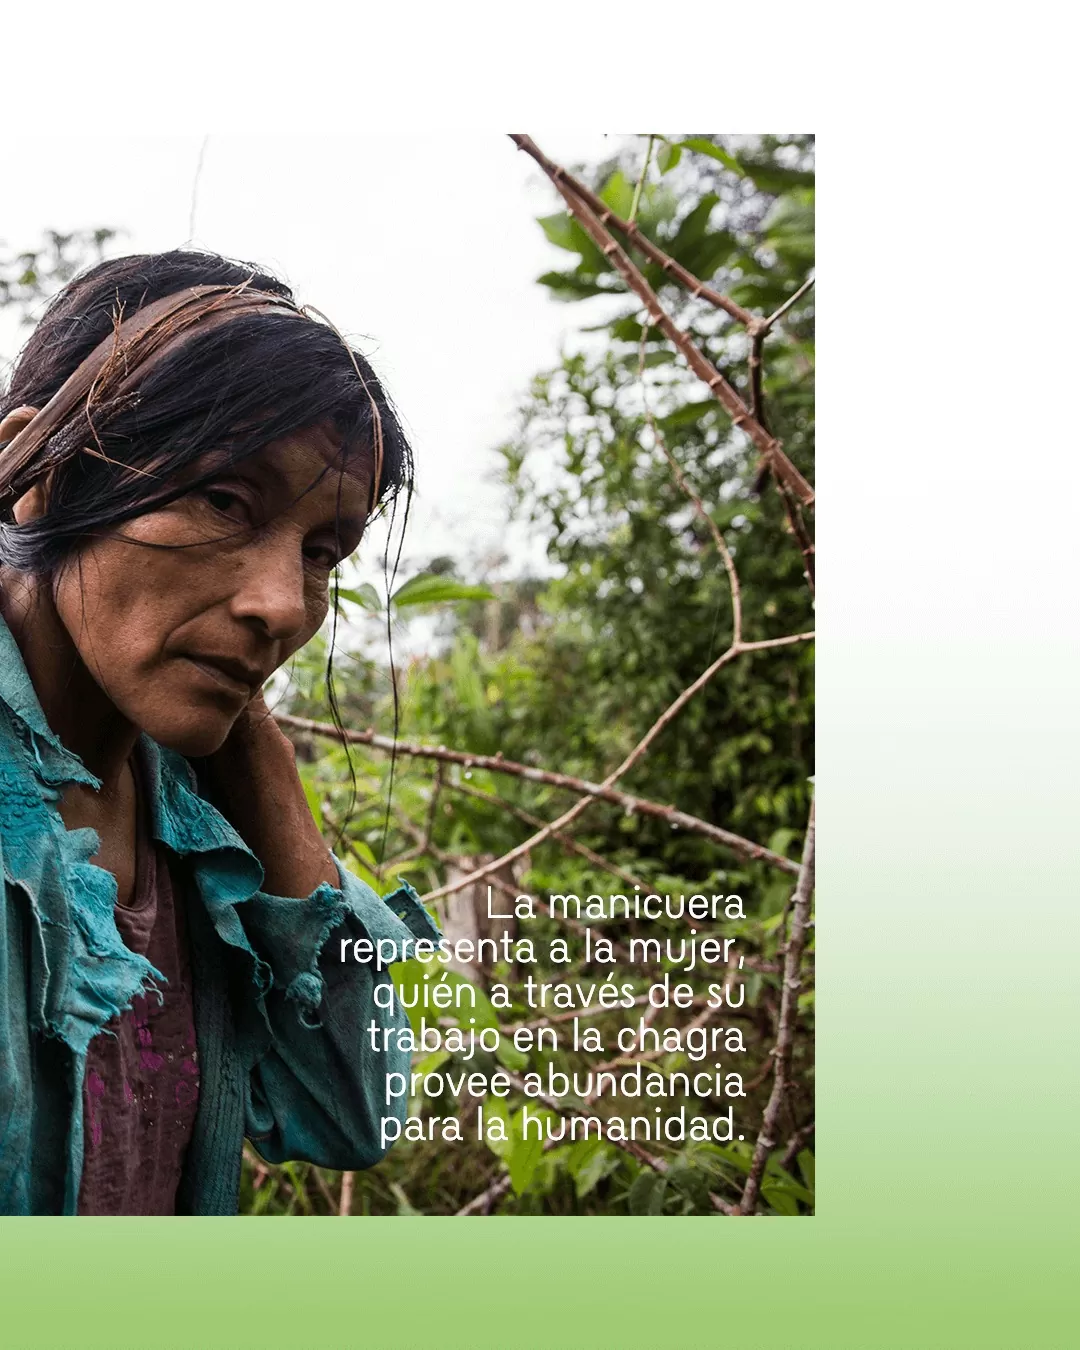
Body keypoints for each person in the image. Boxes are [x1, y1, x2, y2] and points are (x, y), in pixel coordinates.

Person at [0, 249, 437, 1215]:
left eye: (322, 551)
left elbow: (351, 1112)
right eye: (224, 500)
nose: (284, 607)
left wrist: (264, 773)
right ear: (43, 479)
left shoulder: (199, 824)